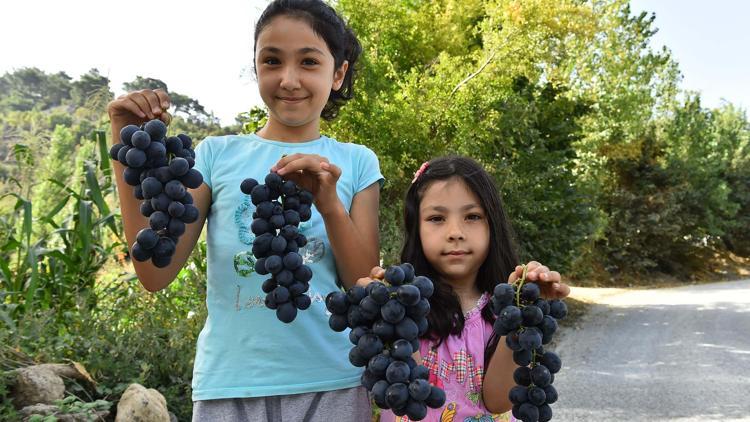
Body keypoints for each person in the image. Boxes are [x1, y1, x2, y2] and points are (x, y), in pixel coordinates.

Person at [106, 1, 383, 420]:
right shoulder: (215, 155)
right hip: (229, 385)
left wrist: (328, 204)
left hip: (332, 384)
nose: (289, 79)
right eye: (272, 60)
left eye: (309, 61)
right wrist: (125, 143)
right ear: (255, 68)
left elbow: (362, 286)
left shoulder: (357, 161)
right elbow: (154, 271)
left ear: (338, 73)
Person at [368, 156, 570, 421]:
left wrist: (521, 309)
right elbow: (408, 400)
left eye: (472, 216)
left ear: (492, 225)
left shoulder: (502, 312)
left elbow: (498, 400)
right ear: (416, 229)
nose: (455, 232)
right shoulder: (407, 306)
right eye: (437, 218)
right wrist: (388, 309)